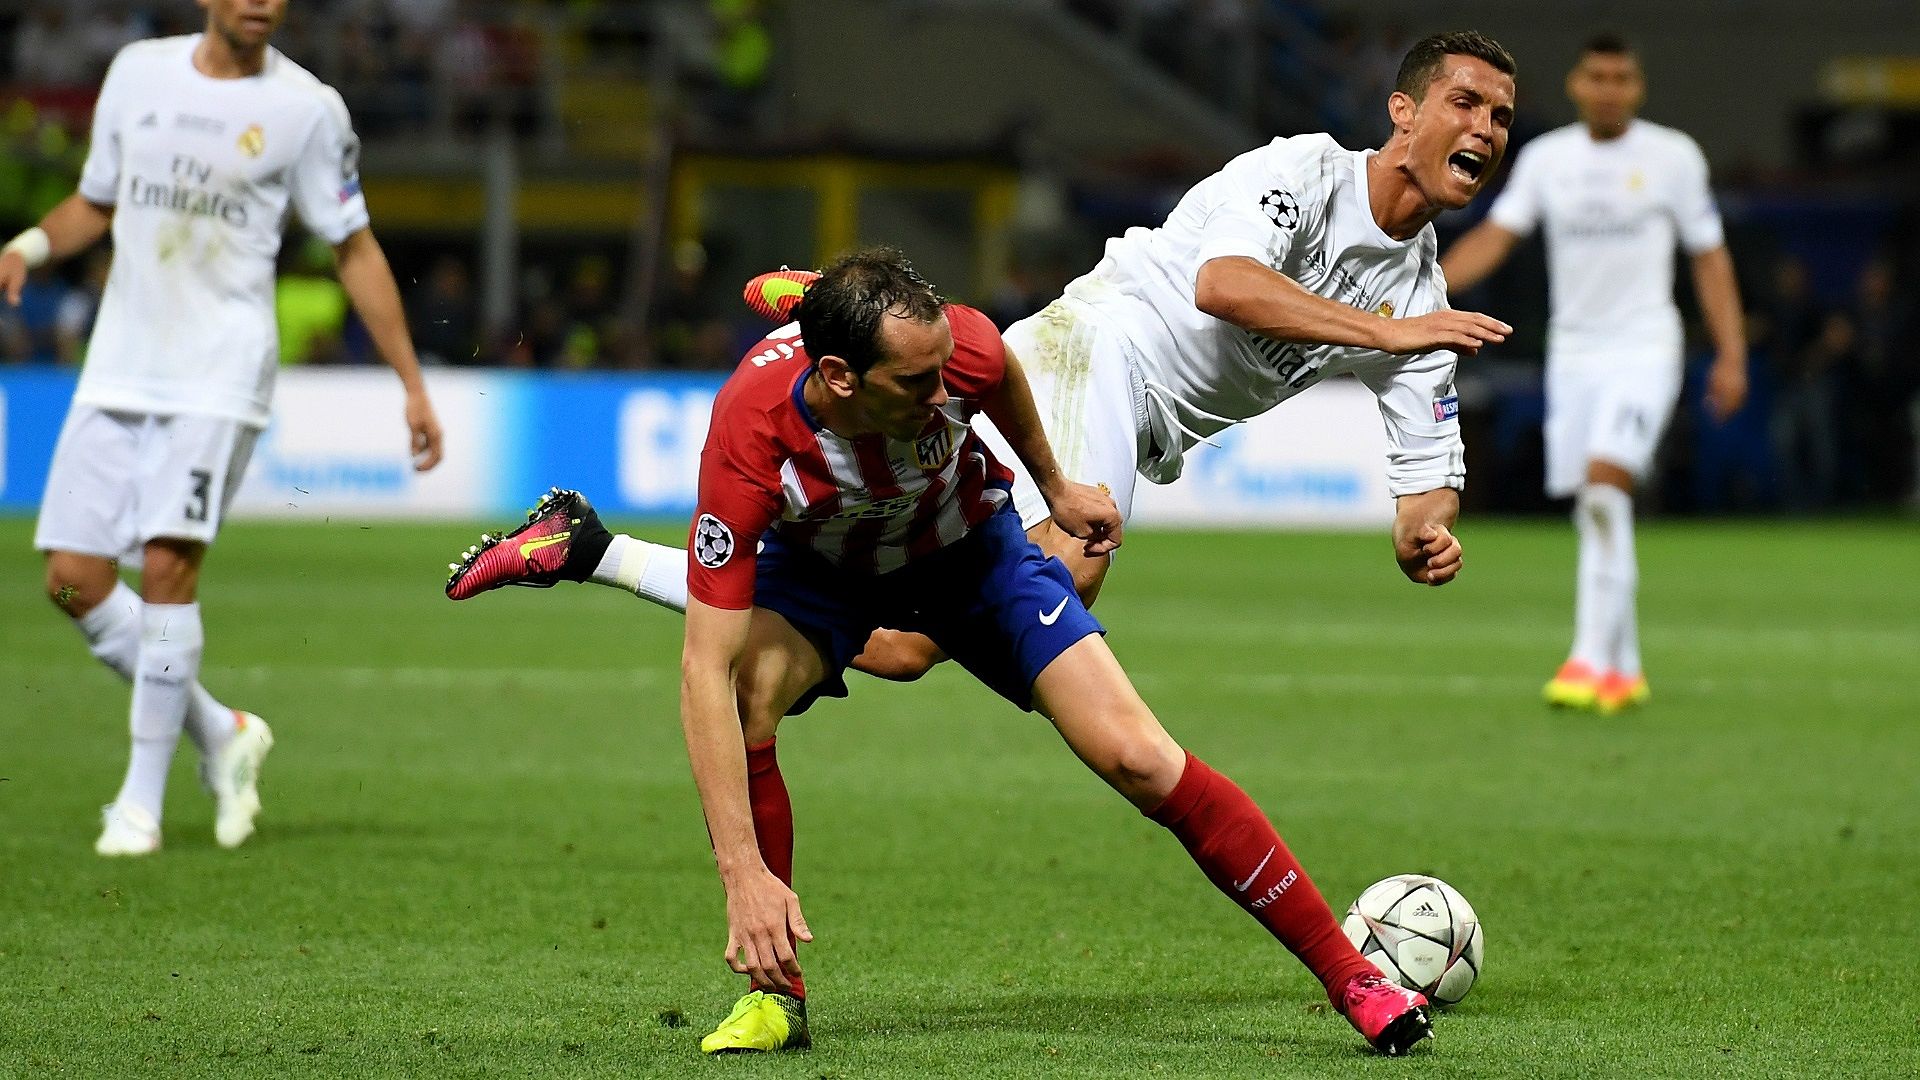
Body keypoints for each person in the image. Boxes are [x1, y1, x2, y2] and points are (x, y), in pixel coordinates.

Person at [476, 249, 1438, 1056]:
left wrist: (1055, 485)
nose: (947, 393)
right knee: (747, 697)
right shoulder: (747, 439)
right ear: (841, 378)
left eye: (946, 370)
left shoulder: (959, 347)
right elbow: (701, 667)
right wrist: (743, 872)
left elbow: (999, 374)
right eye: (917, 383)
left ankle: (1354, 981)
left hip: (972, 555)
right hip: (828, 574)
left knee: (1140, 757)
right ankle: (778, 997)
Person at [448, 31, 1517, 679]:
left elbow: (1425, 486)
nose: (1486, 125)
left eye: (1503, 116)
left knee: (910, 649)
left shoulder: (1425, 308)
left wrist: (1425, 538)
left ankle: (591, 549)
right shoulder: (1300, 176)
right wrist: (1387, 332)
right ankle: (834, 311)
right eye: (1465, 101)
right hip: (1096, 345)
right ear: (1404, 112)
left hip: (1137, 421)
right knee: (1066, 581)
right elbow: (1222, 286)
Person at [1, 0, 445, 856]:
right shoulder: (138, 74)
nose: (261, 3)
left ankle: (138, 805)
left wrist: (412, 384)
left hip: (221, 372)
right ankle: (221, 729)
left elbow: (353, 246)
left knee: (167, 564)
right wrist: (27, 244)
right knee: (70, 579)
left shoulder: (308, 109)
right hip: (121, 363)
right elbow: (96, 202)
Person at [1440, 33, 1747, 715]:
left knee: (1607, 492)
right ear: (1577, 84)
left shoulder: (1673, 157)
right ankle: (1626, 667)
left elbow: (1709, 258)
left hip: (1645, 348)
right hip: (1575, 354)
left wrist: (1731, 354)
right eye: (1597, 76)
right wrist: (1429, 291)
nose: (1609, 88)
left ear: (1637, 87)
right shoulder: (1549, 160)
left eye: (1622, 77)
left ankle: (1585, 657)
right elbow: (1498, 235)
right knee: (1592, 508)